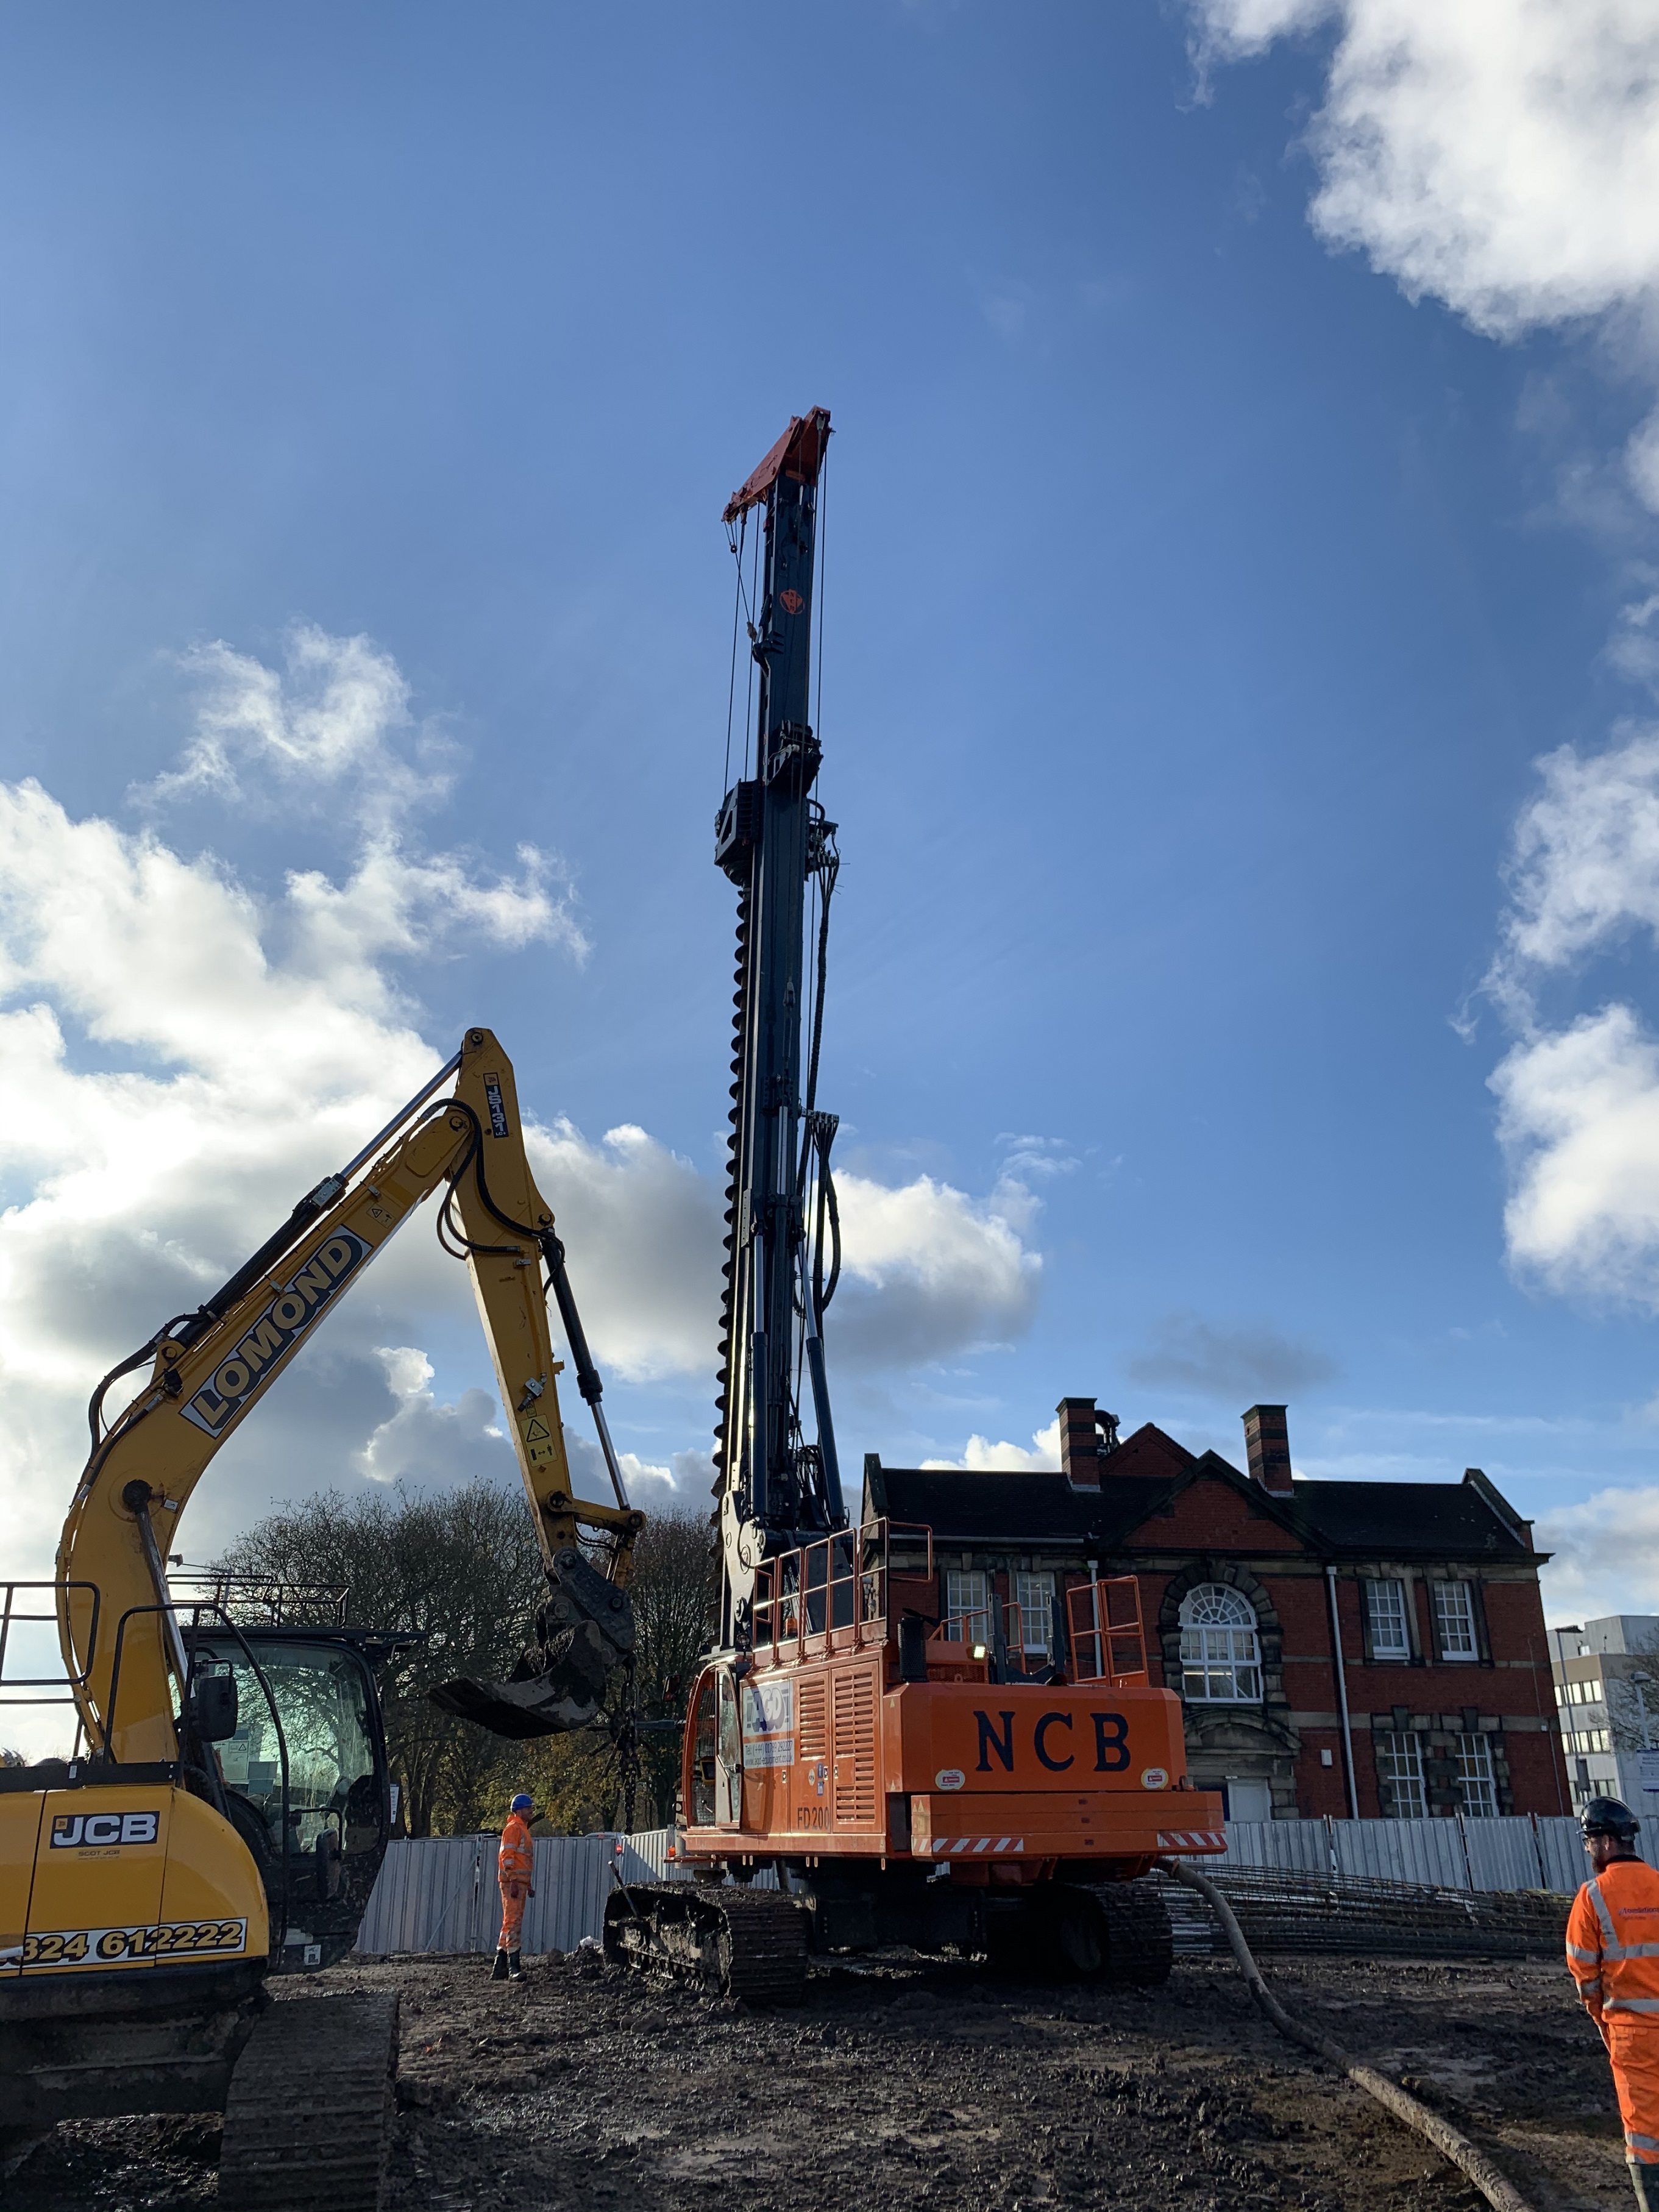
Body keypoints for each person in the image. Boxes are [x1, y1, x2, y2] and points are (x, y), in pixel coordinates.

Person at [1567, 1796, 1659, 2209]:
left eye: (1589, 1841)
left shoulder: (1593, 1897)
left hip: (1632, 2032)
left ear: (1605, 1842)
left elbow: (1585, 1975)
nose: (1589, 1849)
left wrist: (1603, 2021)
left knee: (1644, 2131)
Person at [492, 1791, 535, 1982]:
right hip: (513, 1884)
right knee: (513, 1923)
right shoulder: (514, 1828)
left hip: (518, 1883)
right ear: (519, 1811)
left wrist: (527, 1883)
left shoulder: (521, 1829)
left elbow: (521, 1860)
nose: (531, 1811)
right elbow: (507, 1856)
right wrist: (514, 1880)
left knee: (508, 1923)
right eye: (528, 1808)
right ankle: (513, 1968)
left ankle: (499, 1967)